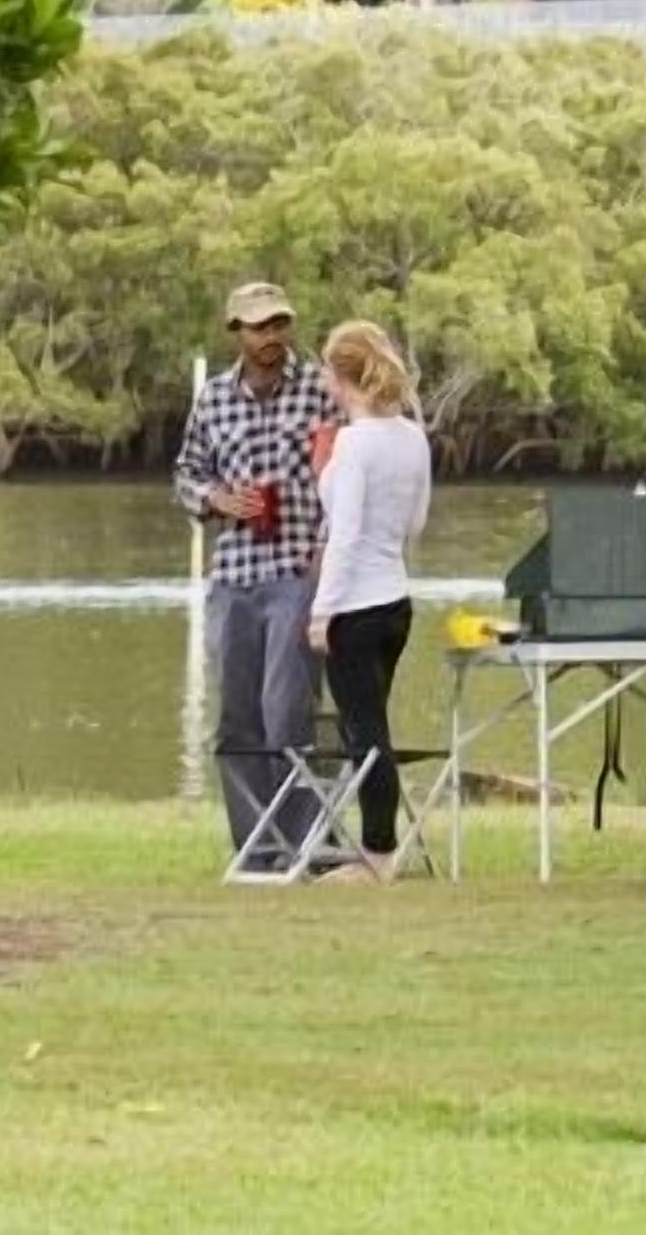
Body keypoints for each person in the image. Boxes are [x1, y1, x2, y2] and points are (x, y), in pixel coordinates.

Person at [173, 280, 330, 869]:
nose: (271, 338)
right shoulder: (213, 398)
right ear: (235, 331)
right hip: (234, 575)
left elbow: (345, 468)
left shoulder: (318, 388)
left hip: (296, 569)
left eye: (279, 325)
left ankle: (300, 848)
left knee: (286, 709)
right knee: (237, 715)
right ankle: (255, 848)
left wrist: (326, 549)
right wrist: (216, 498)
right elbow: (185, 474)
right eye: (260, 327)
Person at [306, 319, 434, 884]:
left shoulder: (356, 444)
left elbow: (346, 535)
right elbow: (415, 521)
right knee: (373, 721)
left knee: (365, 731)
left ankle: (378, 854)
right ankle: (377, 845)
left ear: (340, 376)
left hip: (357, 605)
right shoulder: (411, 436)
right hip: (396, 602)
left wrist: (321, 612)